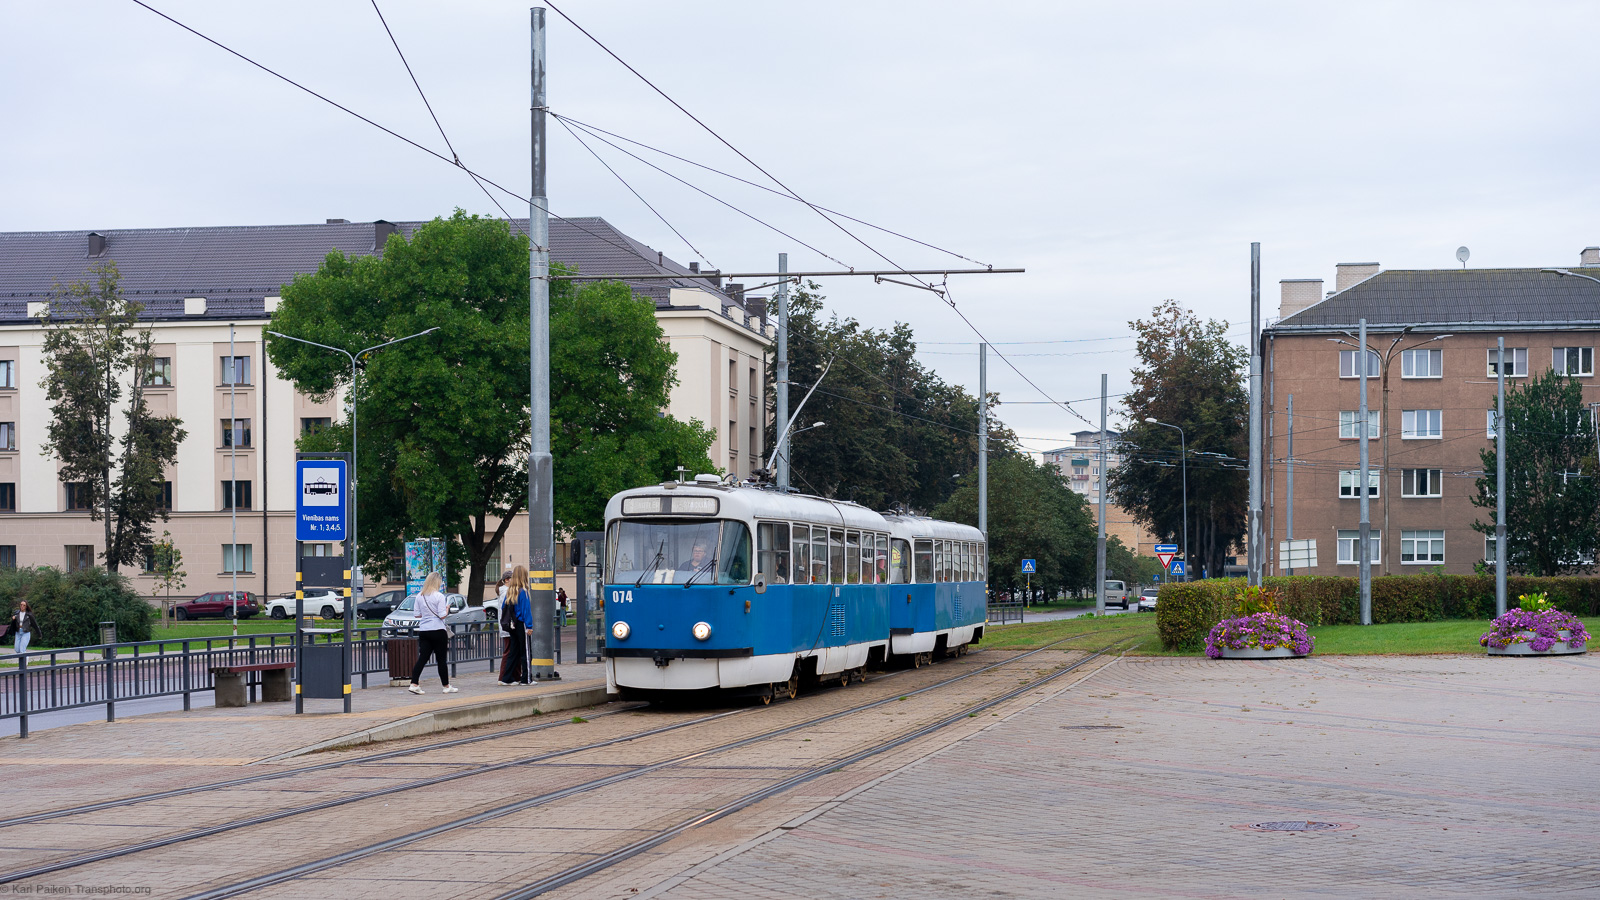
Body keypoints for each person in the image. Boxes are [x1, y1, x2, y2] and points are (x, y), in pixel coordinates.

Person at [408, 573, 456, 695]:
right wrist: (447, 609)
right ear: (437, 582)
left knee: (422, 658)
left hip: (424, 630)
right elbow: (442, 615)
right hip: (438, 630)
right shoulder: (439, 596)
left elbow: (417, 615)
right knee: (441, 660)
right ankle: (446, 686)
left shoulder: (420, 595)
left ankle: (414, 684)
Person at [499, 566, 532, 685]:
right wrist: (529, 626)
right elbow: (526, 610)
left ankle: (506, 678)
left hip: (512, 625)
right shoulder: (523, 591)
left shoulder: (510, 591)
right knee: (526, 652)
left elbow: (504, 607)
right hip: (522, 624)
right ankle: (526, 679)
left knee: (513, 652)